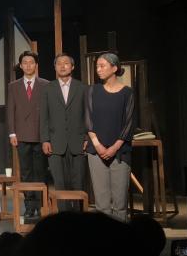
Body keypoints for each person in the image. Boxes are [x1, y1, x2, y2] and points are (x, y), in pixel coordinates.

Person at [85, 52, 135, 222]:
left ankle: (121, 235)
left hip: (120, 151)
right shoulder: (92, 90)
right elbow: (88, 120)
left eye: (102, 66)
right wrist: (97, 145)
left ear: (114, 68)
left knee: (120, 203)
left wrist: (114, 147)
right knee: (102, 203)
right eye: (97, 66)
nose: (98, 70)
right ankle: (104, 235)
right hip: (96, 151)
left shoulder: (127, 93)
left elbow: (129, 122)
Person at [39, 53, 88, 211]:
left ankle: (78, 216)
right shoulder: (48, 89)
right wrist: (45, 140)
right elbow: (44, 117)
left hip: (78, 142)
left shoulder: (82, 88)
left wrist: (87, 137)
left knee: (78, 182)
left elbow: (88, 115)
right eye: (59, 63)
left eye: (66, 63)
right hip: (55, 143)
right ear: (55, 67)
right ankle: (63, 217)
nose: (62, 66)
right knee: (59, 183)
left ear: (72, 67)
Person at [6, 51, 49, 220]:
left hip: (40, 134)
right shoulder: (13, 86)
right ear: (21, 65)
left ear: (36, 65)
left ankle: (41, 205)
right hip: (22, 134)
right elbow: (11, 110)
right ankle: (29, 206)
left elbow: (49, 111)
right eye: (25, 62)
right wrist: (12, 132)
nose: (28, 65)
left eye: (31, 62)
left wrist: (47, 136)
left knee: (40, 171)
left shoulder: (45, 84)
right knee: (26, 172)